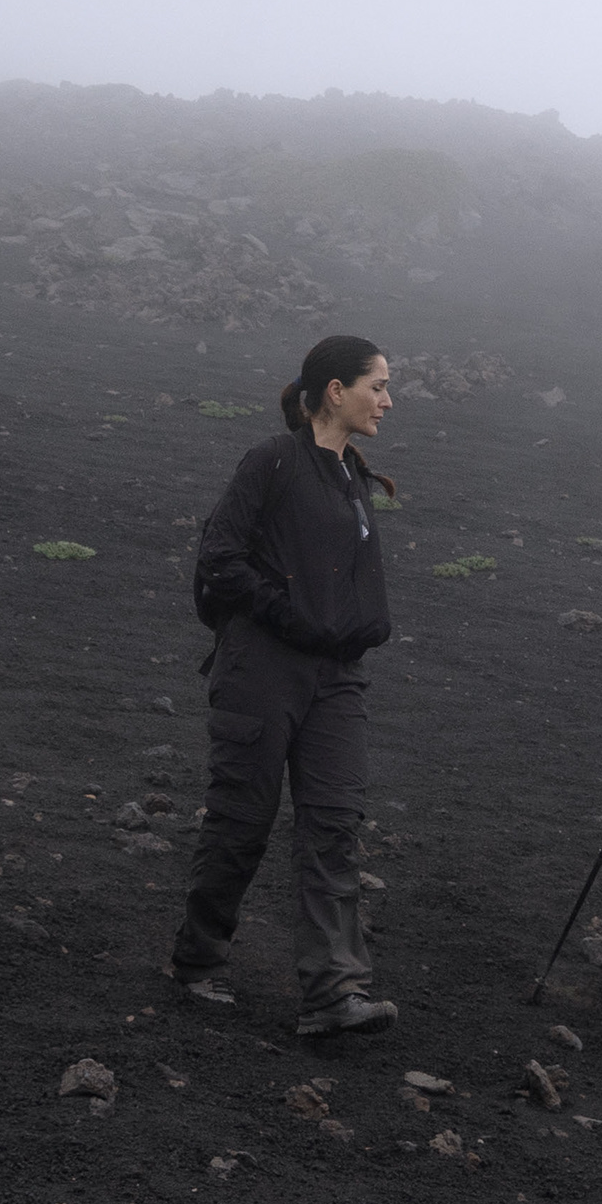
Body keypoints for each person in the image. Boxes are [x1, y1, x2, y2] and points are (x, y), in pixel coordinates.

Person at [174, 334, 401, 1038]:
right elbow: (219, 555)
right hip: (263, 667)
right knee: (243, 818)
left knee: (333, 825)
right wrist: (284, 611)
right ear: (336, 390)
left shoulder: (350, 477)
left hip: (337, 679)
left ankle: (334, 993)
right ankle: (199, 959)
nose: (388, 401)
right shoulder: (272, 462)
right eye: (378, 386)